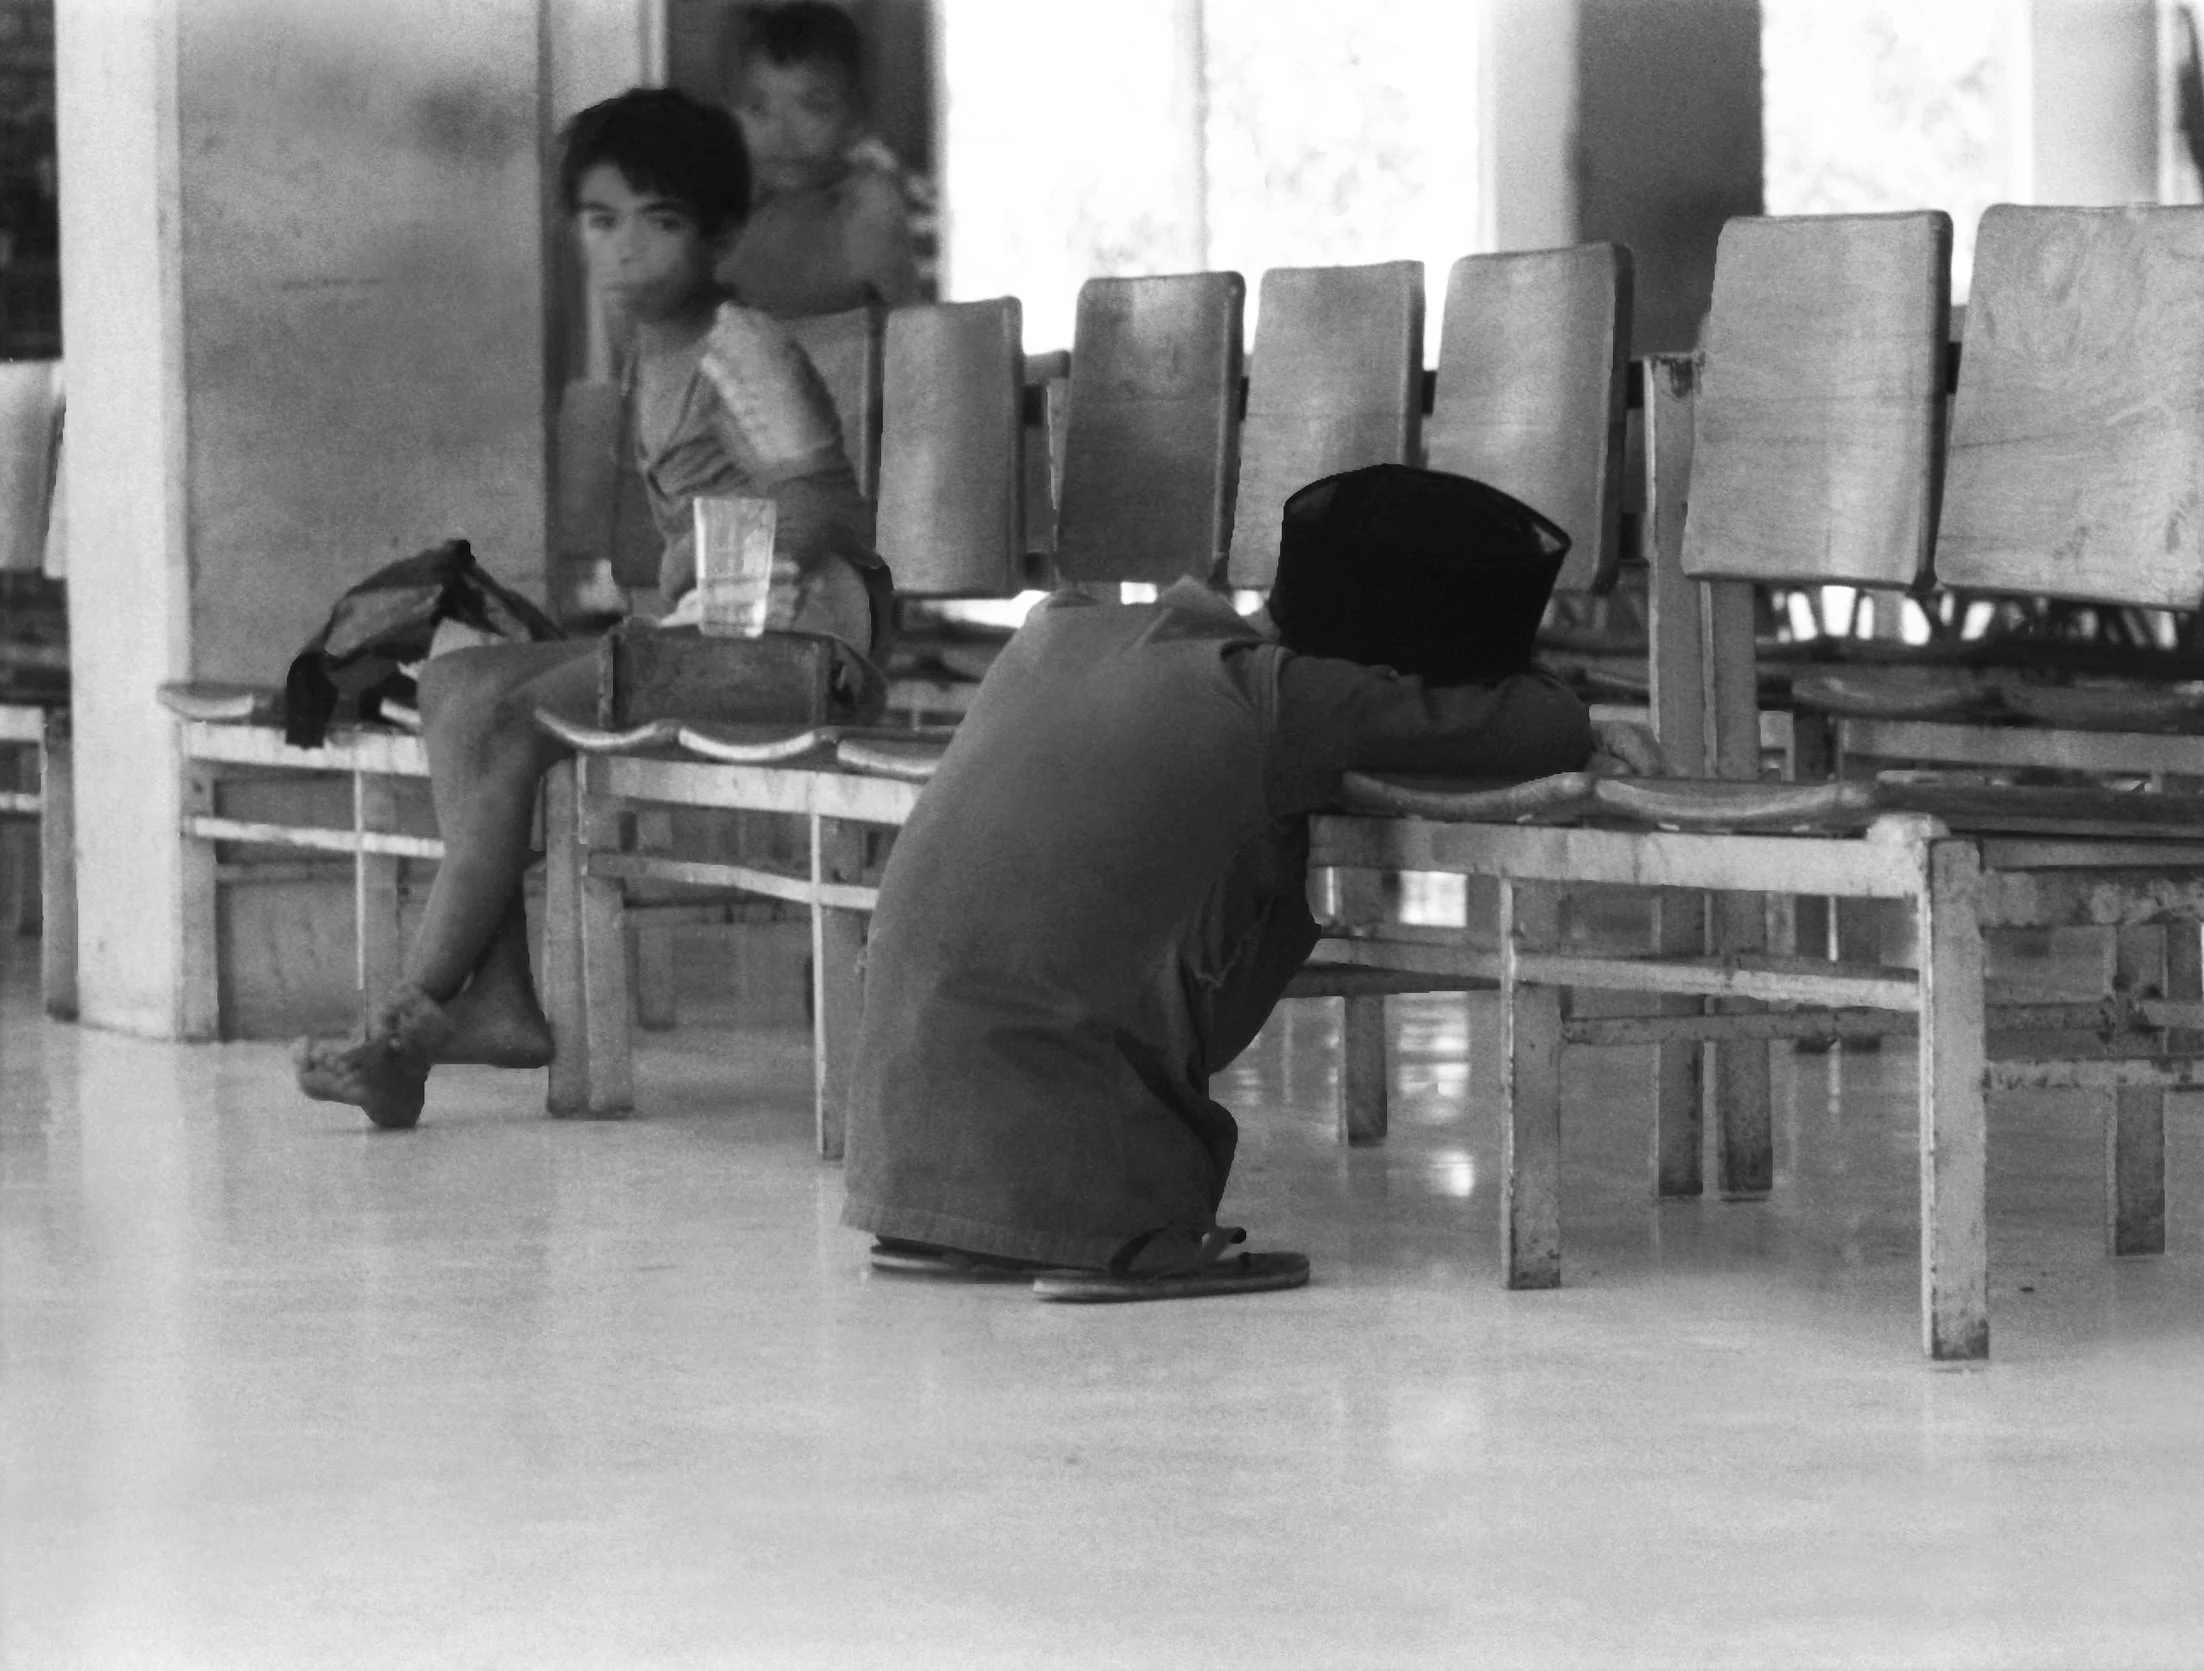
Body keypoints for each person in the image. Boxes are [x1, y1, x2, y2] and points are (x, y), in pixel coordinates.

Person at [840, 465, 1598, 1301]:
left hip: (892, 1160)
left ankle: (957, 1222)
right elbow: (1541, 729)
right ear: (1382, 669)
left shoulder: (1059, 629)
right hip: (1086, 1193)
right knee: (1263, 863)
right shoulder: (1280, 698)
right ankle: (1104, 1227)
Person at [293, 88, 892, 1130]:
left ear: (718, 234)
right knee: (453, 683)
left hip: (792, 644)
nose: (624, 250)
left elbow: (829, 503)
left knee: (525, 723)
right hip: (698, 636)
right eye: (601, 221)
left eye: (658, 223)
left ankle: (411, 1016)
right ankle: (502, 1005)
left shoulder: (736, 348)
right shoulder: (644, 352)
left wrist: (712, 564)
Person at [718, 2, 935, 317]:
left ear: (856, 116)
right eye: (757, 108)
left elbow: (911, 333)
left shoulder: (869, 207)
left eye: (814, 106)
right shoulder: (721, 202)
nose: (782, 132)